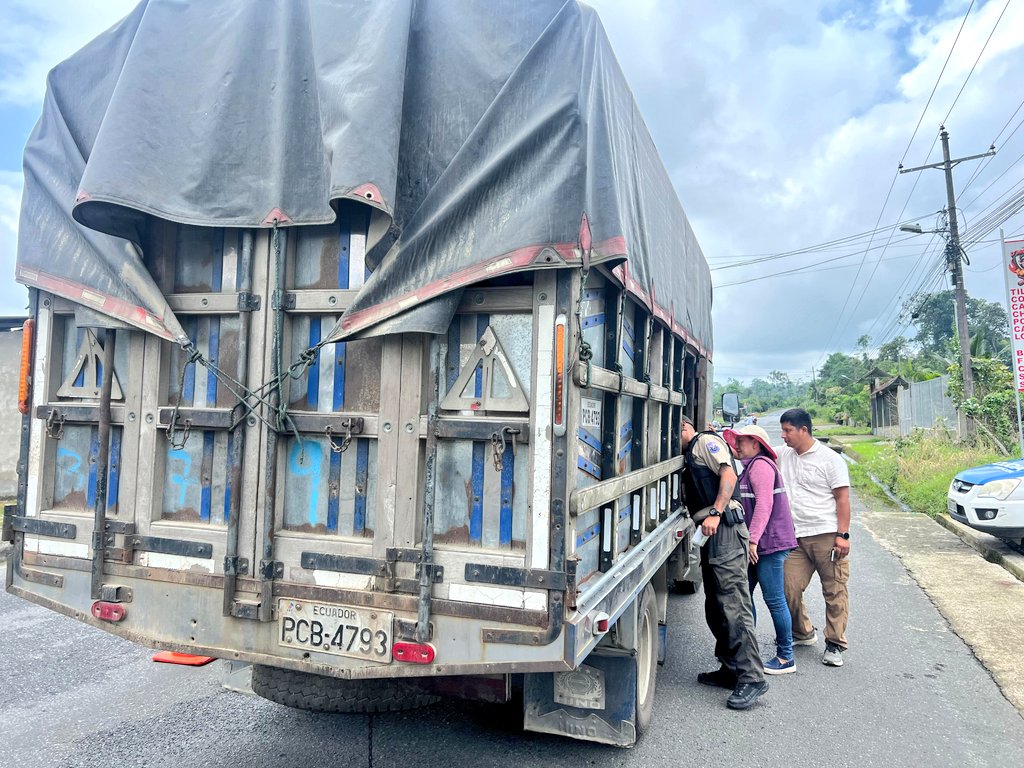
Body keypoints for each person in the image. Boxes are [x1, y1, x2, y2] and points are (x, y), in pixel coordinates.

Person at [679, 416, 769, 710]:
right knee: (716, 605)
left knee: (733, 604)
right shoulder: (690, 451)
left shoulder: (705, 441)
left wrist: (716, 512)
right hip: (711, 533)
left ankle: (752, 677)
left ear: (684, 427)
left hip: (724, 528)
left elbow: (728, 475)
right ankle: (731, 669)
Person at [776, 408, 852, 667]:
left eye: (787, 430)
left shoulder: (830, 459)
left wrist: (843, 535)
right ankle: (803, 632)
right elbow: (759, 448)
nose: (783, 436)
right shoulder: (784, 455)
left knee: (834, 589)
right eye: (782, 430)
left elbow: (842, 498)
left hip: (826, 535)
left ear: (803, 430)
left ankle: (835, 643)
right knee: (788, 587)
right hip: (795, 537)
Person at [723, 424, 798, 675]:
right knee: (745, 597)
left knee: (774, 599)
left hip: (769, 544)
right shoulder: (750, 467)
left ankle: (786, 657)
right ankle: (749, 652)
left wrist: (752, 541)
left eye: (742, 441)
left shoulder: (762, 467)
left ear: (756, 445)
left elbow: (765, 506)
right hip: (759, 544)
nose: (738, 446)